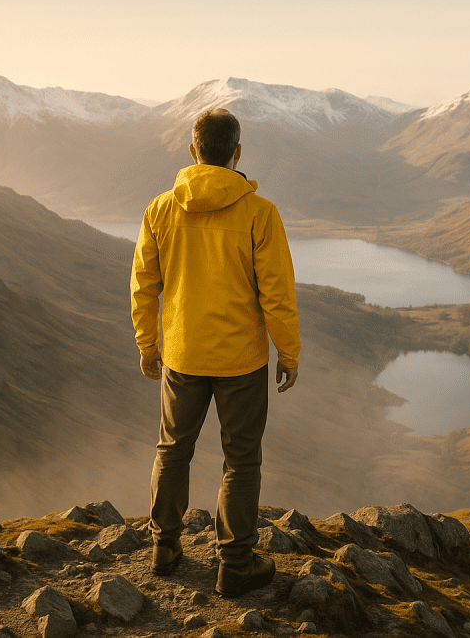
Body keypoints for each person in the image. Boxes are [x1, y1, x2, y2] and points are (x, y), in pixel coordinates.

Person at [130, 108, 301, 598]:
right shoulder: (259, 213)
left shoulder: (160, 209)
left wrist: (148, 345)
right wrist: (288, 351)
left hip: (182, 356)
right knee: (241, 462)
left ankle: (165, 548)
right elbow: (277, 293)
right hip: (242, 361)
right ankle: (236, 564)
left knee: (172, 450)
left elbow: (144, 286)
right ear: (237, 154)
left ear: (193, 152)